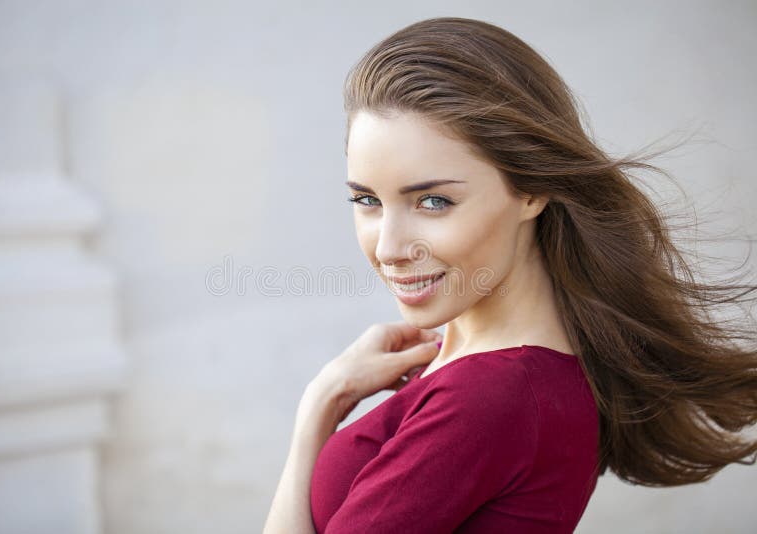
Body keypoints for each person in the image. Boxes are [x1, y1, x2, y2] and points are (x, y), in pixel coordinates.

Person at [263, 16, 757, 533]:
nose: (388, 248)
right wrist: (329, 395)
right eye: (367, 199)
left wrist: (318, 411)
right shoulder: (481, 367)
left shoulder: (490, 397)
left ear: (530, 190)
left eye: (433, 201)